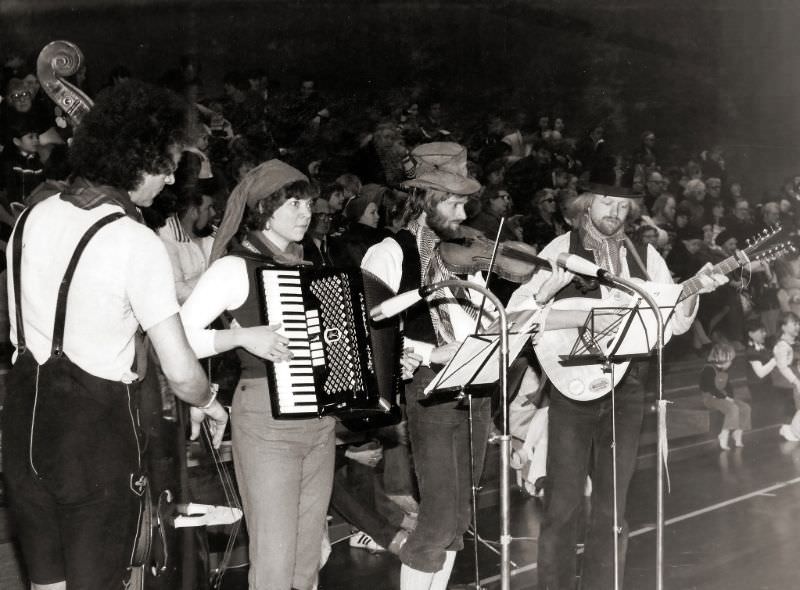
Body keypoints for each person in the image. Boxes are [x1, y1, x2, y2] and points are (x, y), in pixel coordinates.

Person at [1, 80, 228, 590]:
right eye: (166, 162)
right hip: (94, 440)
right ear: (135, 157)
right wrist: (211, 401)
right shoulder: (133, 239)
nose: (171, 177)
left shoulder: (30, 216)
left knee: (47, 586)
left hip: (22, 430)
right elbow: (180, 370)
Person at [508, 183, 727, 590]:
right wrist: (554, 303)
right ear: (585, 205)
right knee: (562, 506)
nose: (615, 210)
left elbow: (673, 321)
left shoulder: (644, 258)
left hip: (627, 389)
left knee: (613, 510)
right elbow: (519, 312)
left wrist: (695, 291)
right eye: (606, 201)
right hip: (571, 390)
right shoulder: (558, 248)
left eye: (623, 204)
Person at [181, 159, 333, 590]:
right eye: (295, 205)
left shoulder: (308, 265)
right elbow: (179, 337)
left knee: (307, 561)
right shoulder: (234, 267)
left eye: (309, 205)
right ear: (265, 209)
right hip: (266, 422)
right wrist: (241, 337)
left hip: (320, 424)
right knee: (273, 561)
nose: (306, 213)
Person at [361, 141, 502, 590]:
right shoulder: (390, 251)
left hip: (475, 388)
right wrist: (425, 352)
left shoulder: (464, 255)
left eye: (464, 204)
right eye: (454, 204)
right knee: (439, 517)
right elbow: (370, 327)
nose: (463, 216)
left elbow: (480, 316)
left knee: (457, 519)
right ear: (425, 200)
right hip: (430, 389)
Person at [699, 342, 752, 449]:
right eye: (730, 360)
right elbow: (708, 388)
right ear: (722, 359)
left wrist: (731, 398)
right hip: (710, 398)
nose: (731, 362)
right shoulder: (708, 369)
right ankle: (724, 434)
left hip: (722, 396)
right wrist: (726, 398)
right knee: (732, 408)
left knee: (745, 408)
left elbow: (728, 386)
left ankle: (738, 432)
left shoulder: (724, 370)